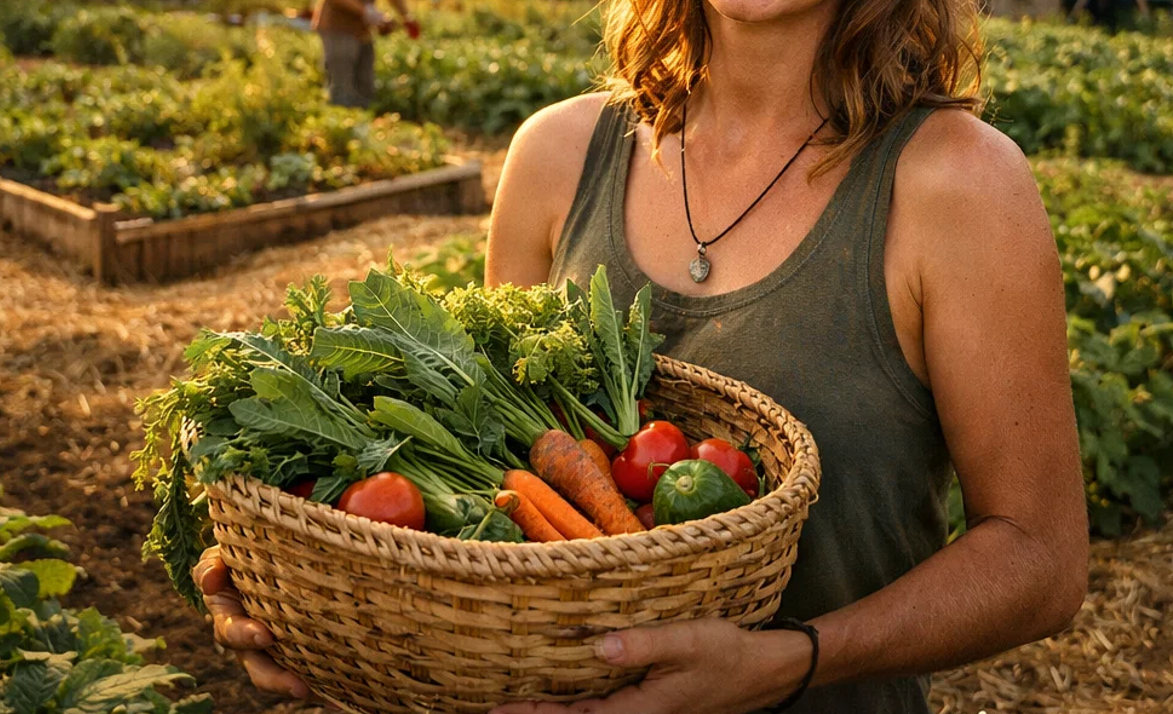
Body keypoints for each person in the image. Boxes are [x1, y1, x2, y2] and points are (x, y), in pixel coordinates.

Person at [193, 0, 1091, 710]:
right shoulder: (554, 154)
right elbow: (494, 487)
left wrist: (788, 661)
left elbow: (1040, 561)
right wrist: (304, 596)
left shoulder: (957, 185)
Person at [311, 0, 420, 108]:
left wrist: (406, 16)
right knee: (342, 84)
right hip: (338, 27)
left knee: (365, 84)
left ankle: (362, 117)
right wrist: (366, 11)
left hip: (362, 29)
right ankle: (341, 118)